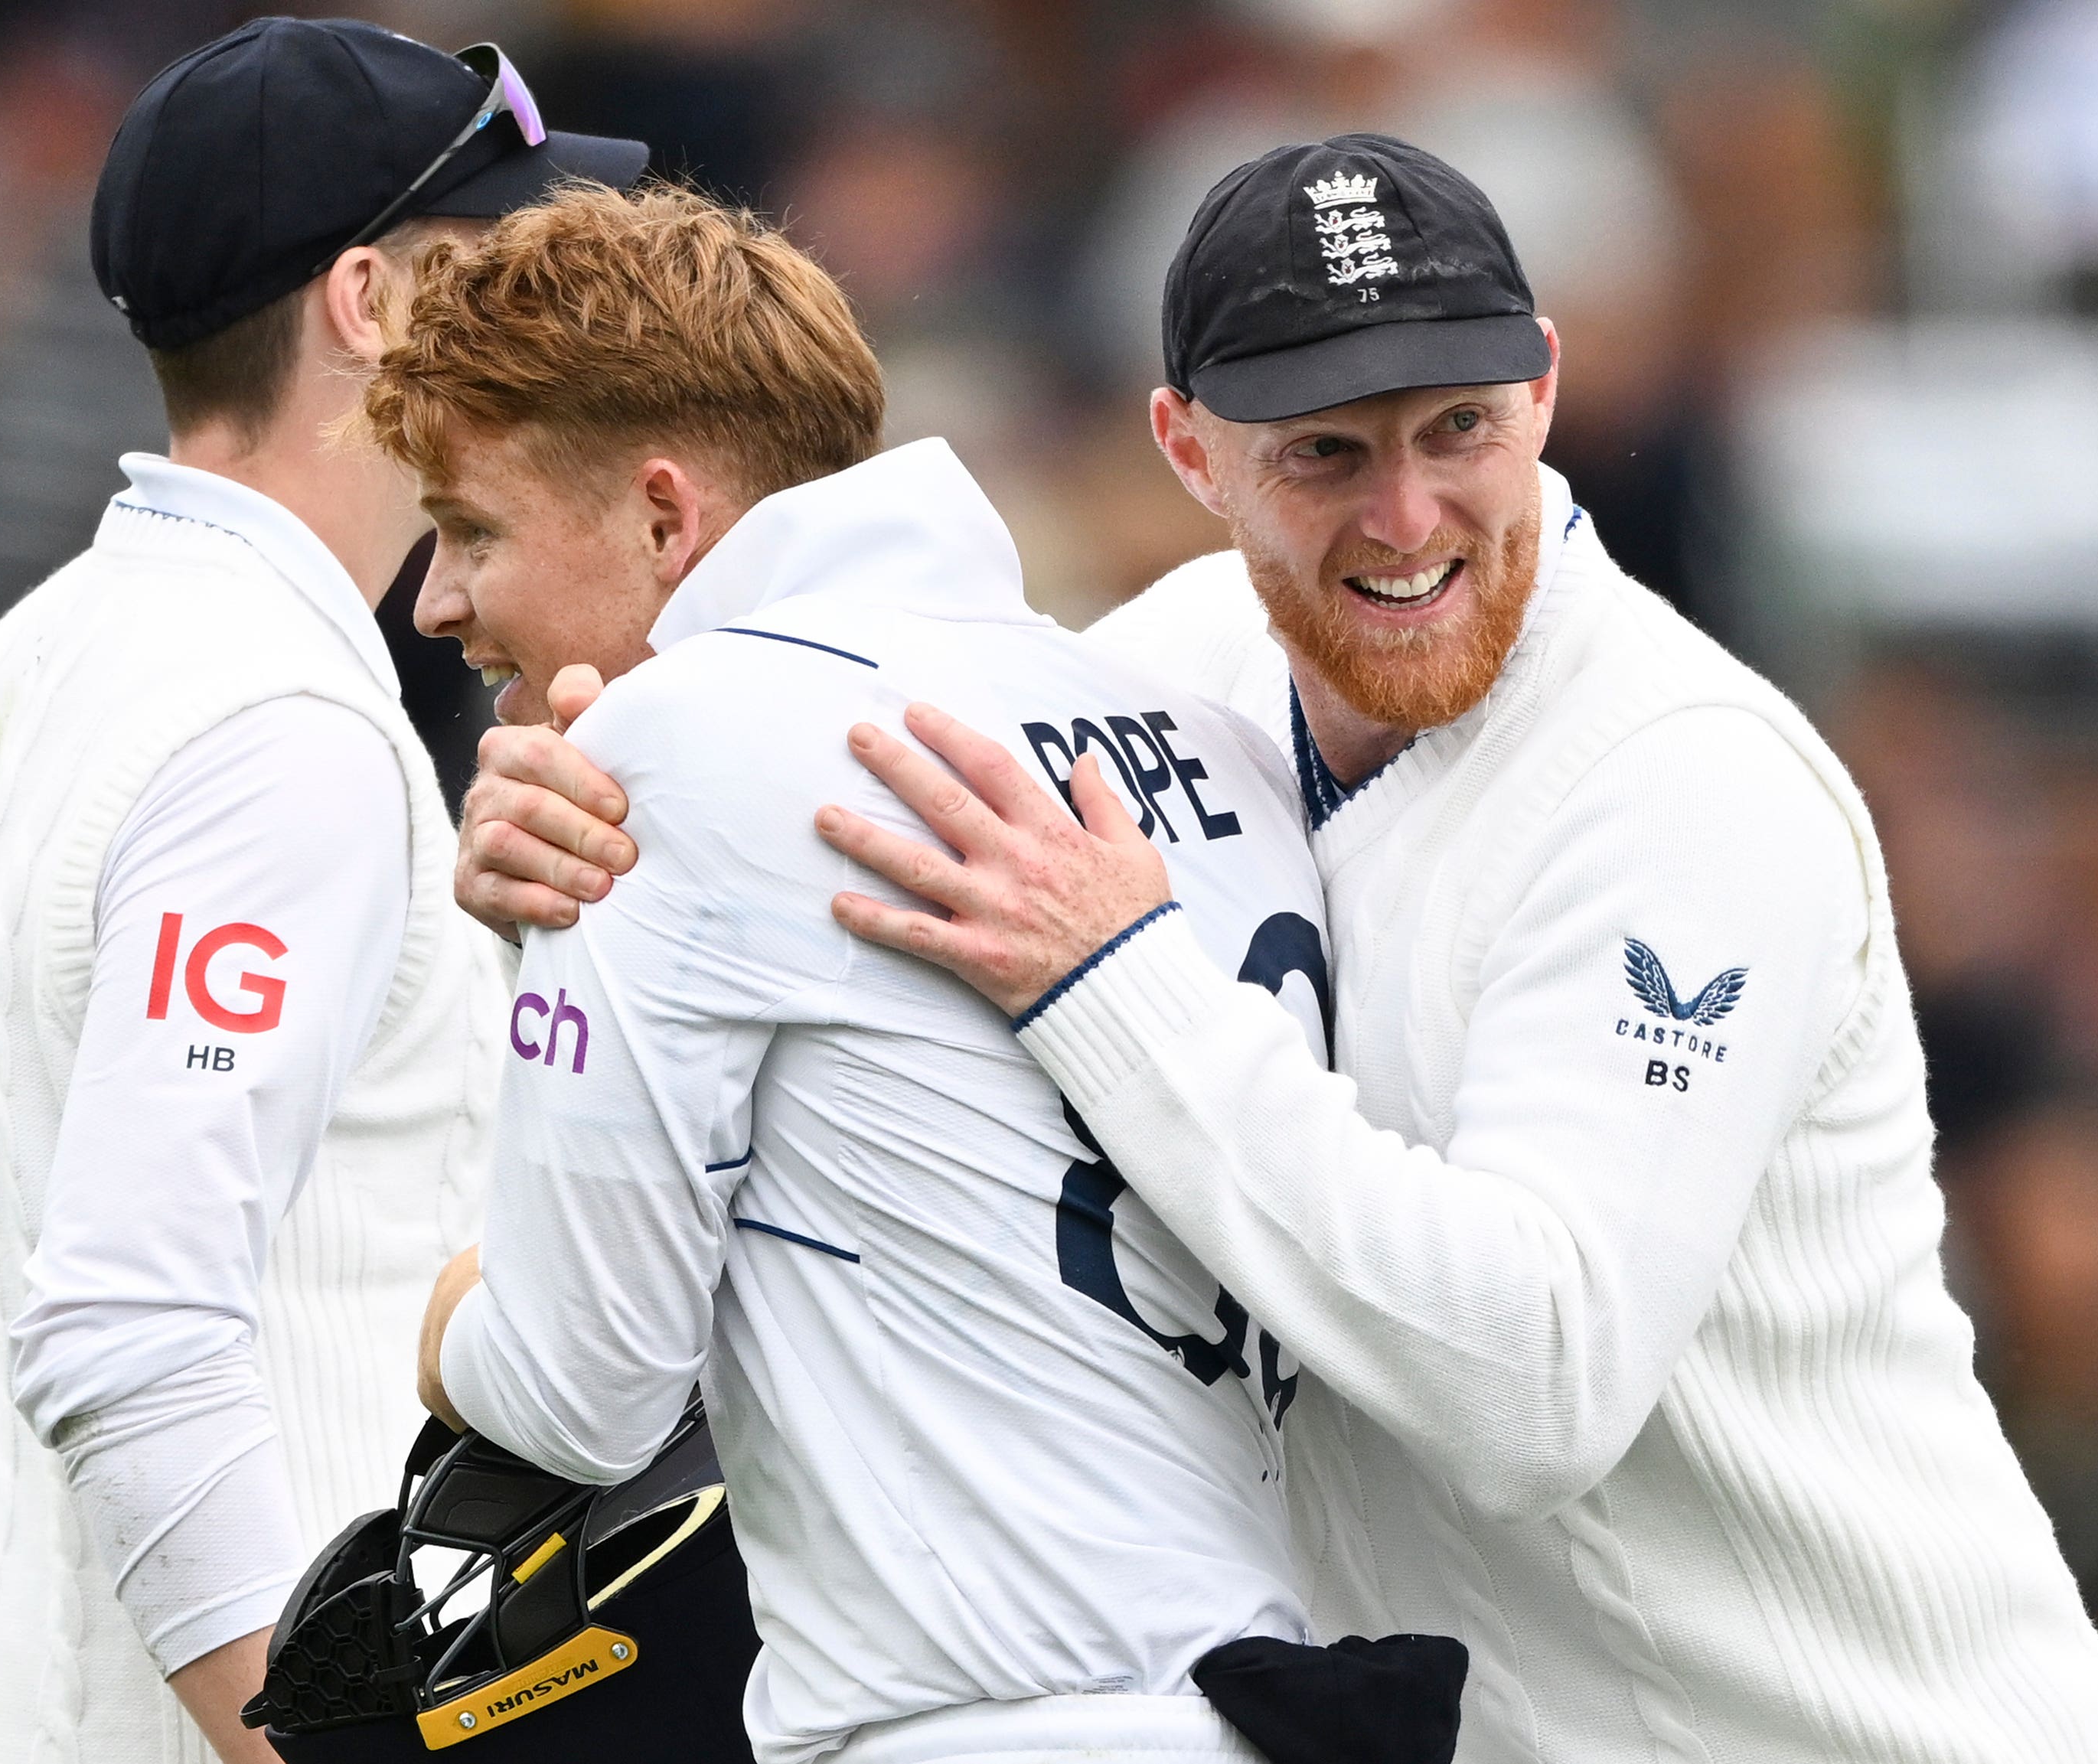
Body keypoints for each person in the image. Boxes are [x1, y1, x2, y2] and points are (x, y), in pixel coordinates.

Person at [453, 135, 2098, 1759]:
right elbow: (791, 810)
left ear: (1546, 389)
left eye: (1458, 429)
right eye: (1324, 452)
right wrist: (574, 804)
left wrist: (1113, 984)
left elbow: (1535, 1384)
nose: (1406, 517)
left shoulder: (1683, 781)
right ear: (1187, 453)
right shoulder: (1172, 665)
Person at [379, 185, 1422, 1764]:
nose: (436, 600)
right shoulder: (1199, 739)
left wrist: (444, 1313)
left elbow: (577, 1382)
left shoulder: (666, 748)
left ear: (665, 516)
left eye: (470, 529)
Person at [0, 23, 644, 1763]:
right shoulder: (273, 715)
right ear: (368, 303)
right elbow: (131, 1321)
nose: (550, 323)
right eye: (490, 272)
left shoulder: (58, 639)